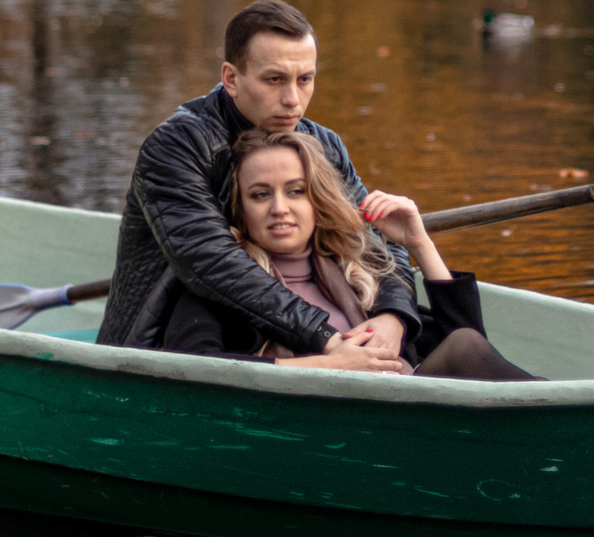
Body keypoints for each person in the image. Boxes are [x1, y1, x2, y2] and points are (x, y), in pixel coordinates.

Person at [97, 0, 422, 360]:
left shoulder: (323, 145)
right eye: (274, 80)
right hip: (169, 345)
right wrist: (326, 339)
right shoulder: (177, 146)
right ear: (231, 79)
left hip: (287, 338)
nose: (293, 100)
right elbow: (210, 259)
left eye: (305, 80)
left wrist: (395, 315)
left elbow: (373, 238)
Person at [159, 129, 536, 379]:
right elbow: (192, 367)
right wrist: (327, 364)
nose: (279, 208)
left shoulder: (351, 270)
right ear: (240, 209)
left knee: (465, 344)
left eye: (295, 191)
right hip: (314, 425)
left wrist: (419, 243)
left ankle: (559, 410)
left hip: (407, 405)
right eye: (260, 194)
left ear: (317, 200)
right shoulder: (224, 284)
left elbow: (469, 343)